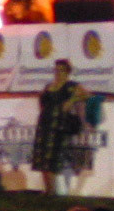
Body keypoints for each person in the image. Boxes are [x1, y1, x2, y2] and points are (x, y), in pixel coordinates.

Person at [31, 59, 87, 195]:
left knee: (52, 159)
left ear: (67, 71)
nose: (57, 73)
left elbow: (86, 95)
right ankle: (48, 191)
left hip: (59, 126)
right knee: (42, 158)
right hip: (45, 125)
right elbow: (42, 102)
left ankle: (52, 192)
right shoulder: (48, 86)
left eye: (61, 70)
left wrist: (72, 100)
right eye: (56, 70)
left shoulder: (72, 86)